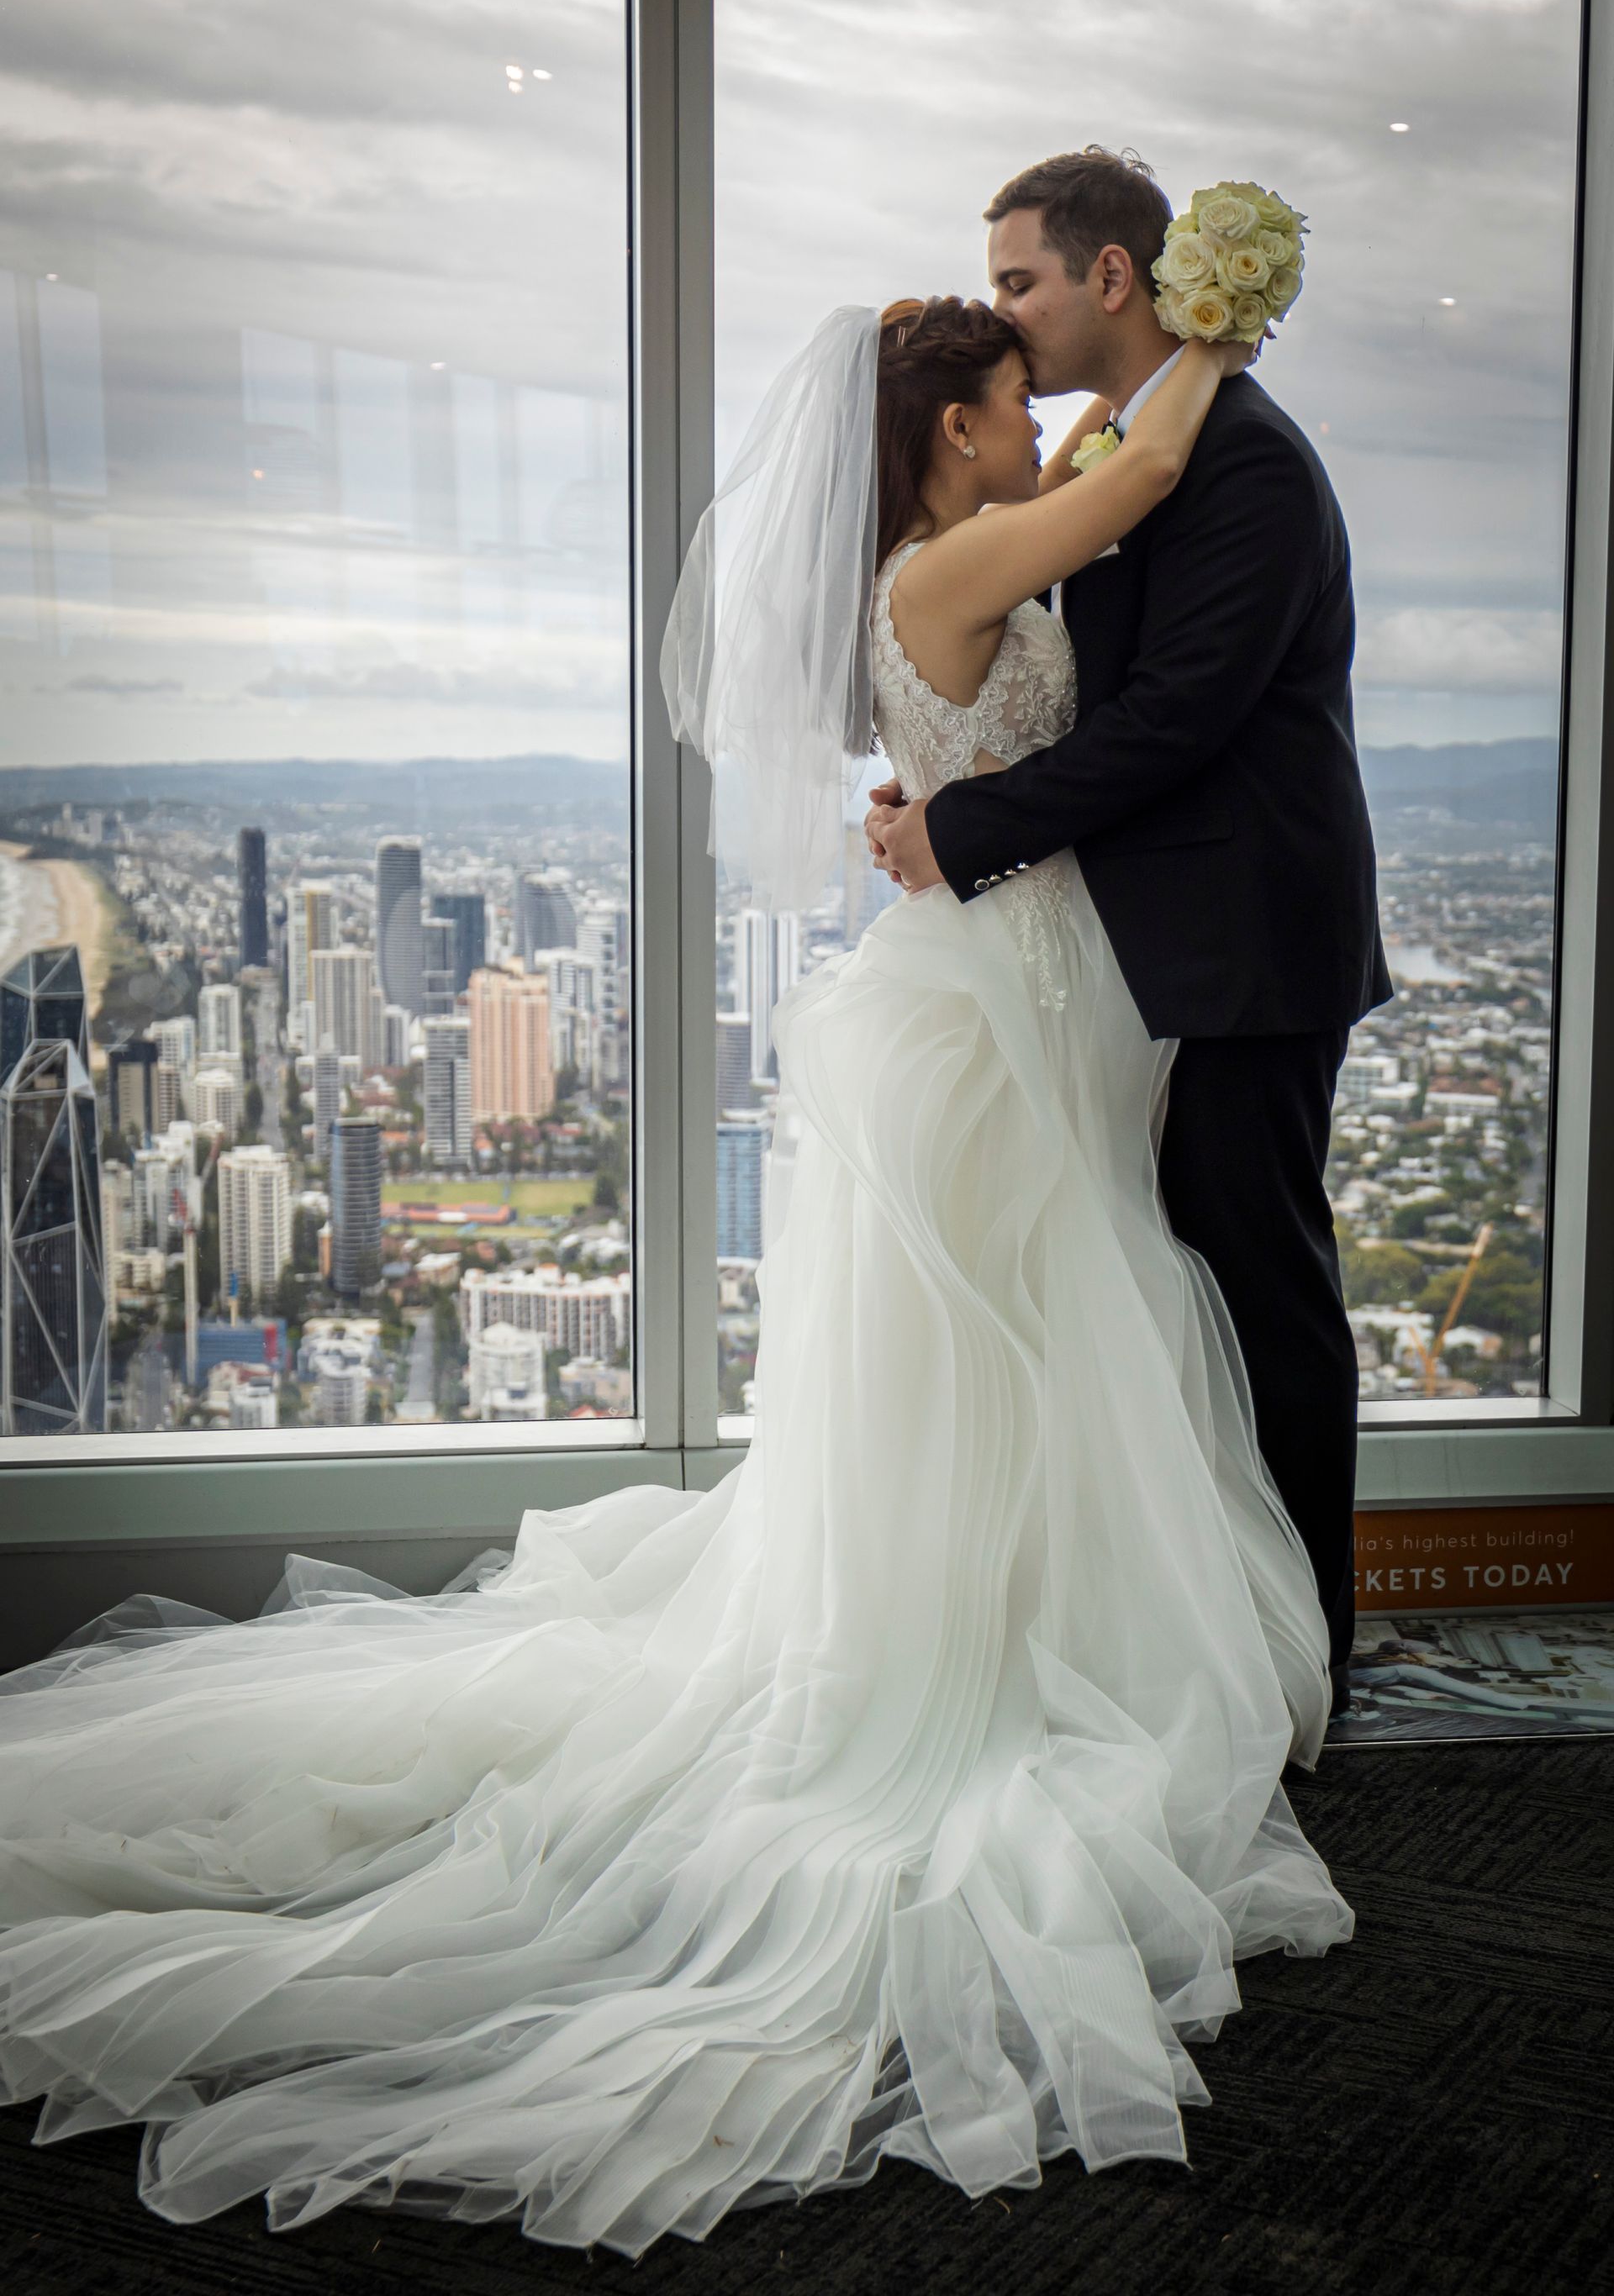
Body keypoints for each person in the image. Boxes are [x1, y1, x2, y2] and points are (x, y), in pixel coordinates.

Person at [0, 289, 1353, 2261]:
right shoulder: (974, 547)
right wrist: (1219, 314)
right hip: (1007, 997)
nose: (1029, 418)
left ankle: (1000, 1617)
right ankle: (1019, 1649)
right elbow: (1139, 468)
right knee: (1056, 1331)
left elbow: (1082, 516)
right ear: (961, 434)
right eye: (1002, 401)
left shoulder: (927, 552)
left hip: (999, 982)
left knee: (1028, 1345)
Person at [869, 149, 1392, 1704]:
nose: (1011, 322)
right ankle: (1197, 1633)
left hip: (1241, 946)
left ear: (1112, 278)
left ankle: (1304, 1664)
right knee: (1166, 1307)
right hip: (1125, 954)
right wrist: (935, 796)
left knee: (1258, 1301)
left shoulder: (1241, 460)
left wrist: (954, 827)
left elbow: (1175, 718)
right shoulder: (1129, 446)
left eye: (1024, 280)